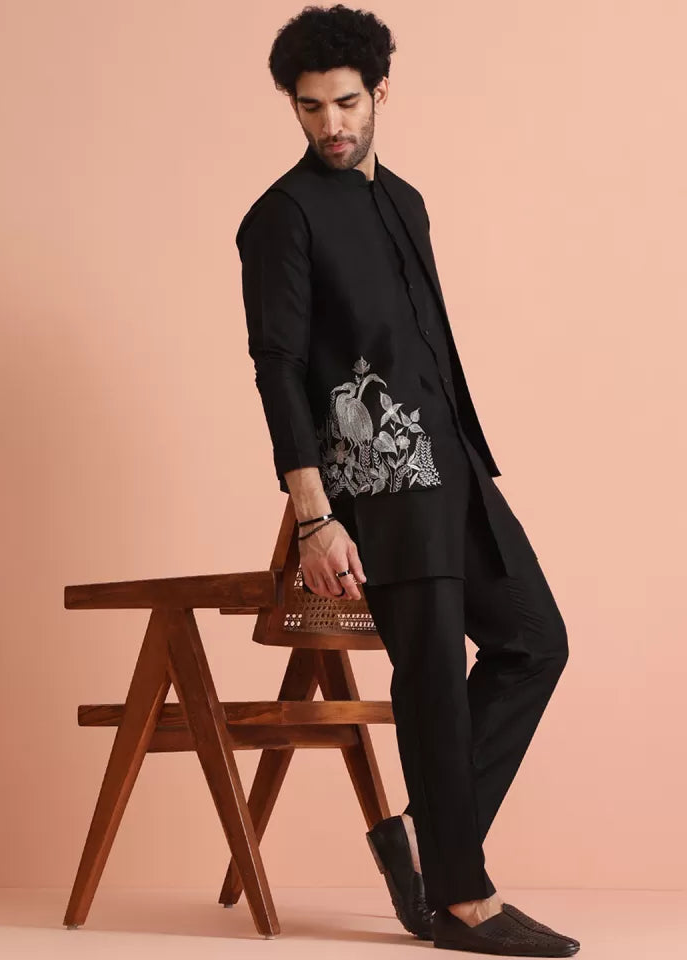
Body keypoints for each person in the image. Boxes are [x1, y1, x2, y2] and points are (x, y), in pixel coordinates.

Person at [235, 5, 578, 955]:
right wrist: (314, 516)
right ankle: (461, 903)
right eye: (309, 110)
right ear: (293, 109)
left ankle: (419, 845)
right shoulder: (280, 218)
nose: (330, 125)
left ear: (380, 92)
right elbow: (277, 365)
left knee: (534, 642)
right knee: (428, 674)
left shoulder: (408, 202)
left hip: (454, 465)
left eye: (346, 103)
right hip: (374, 481)